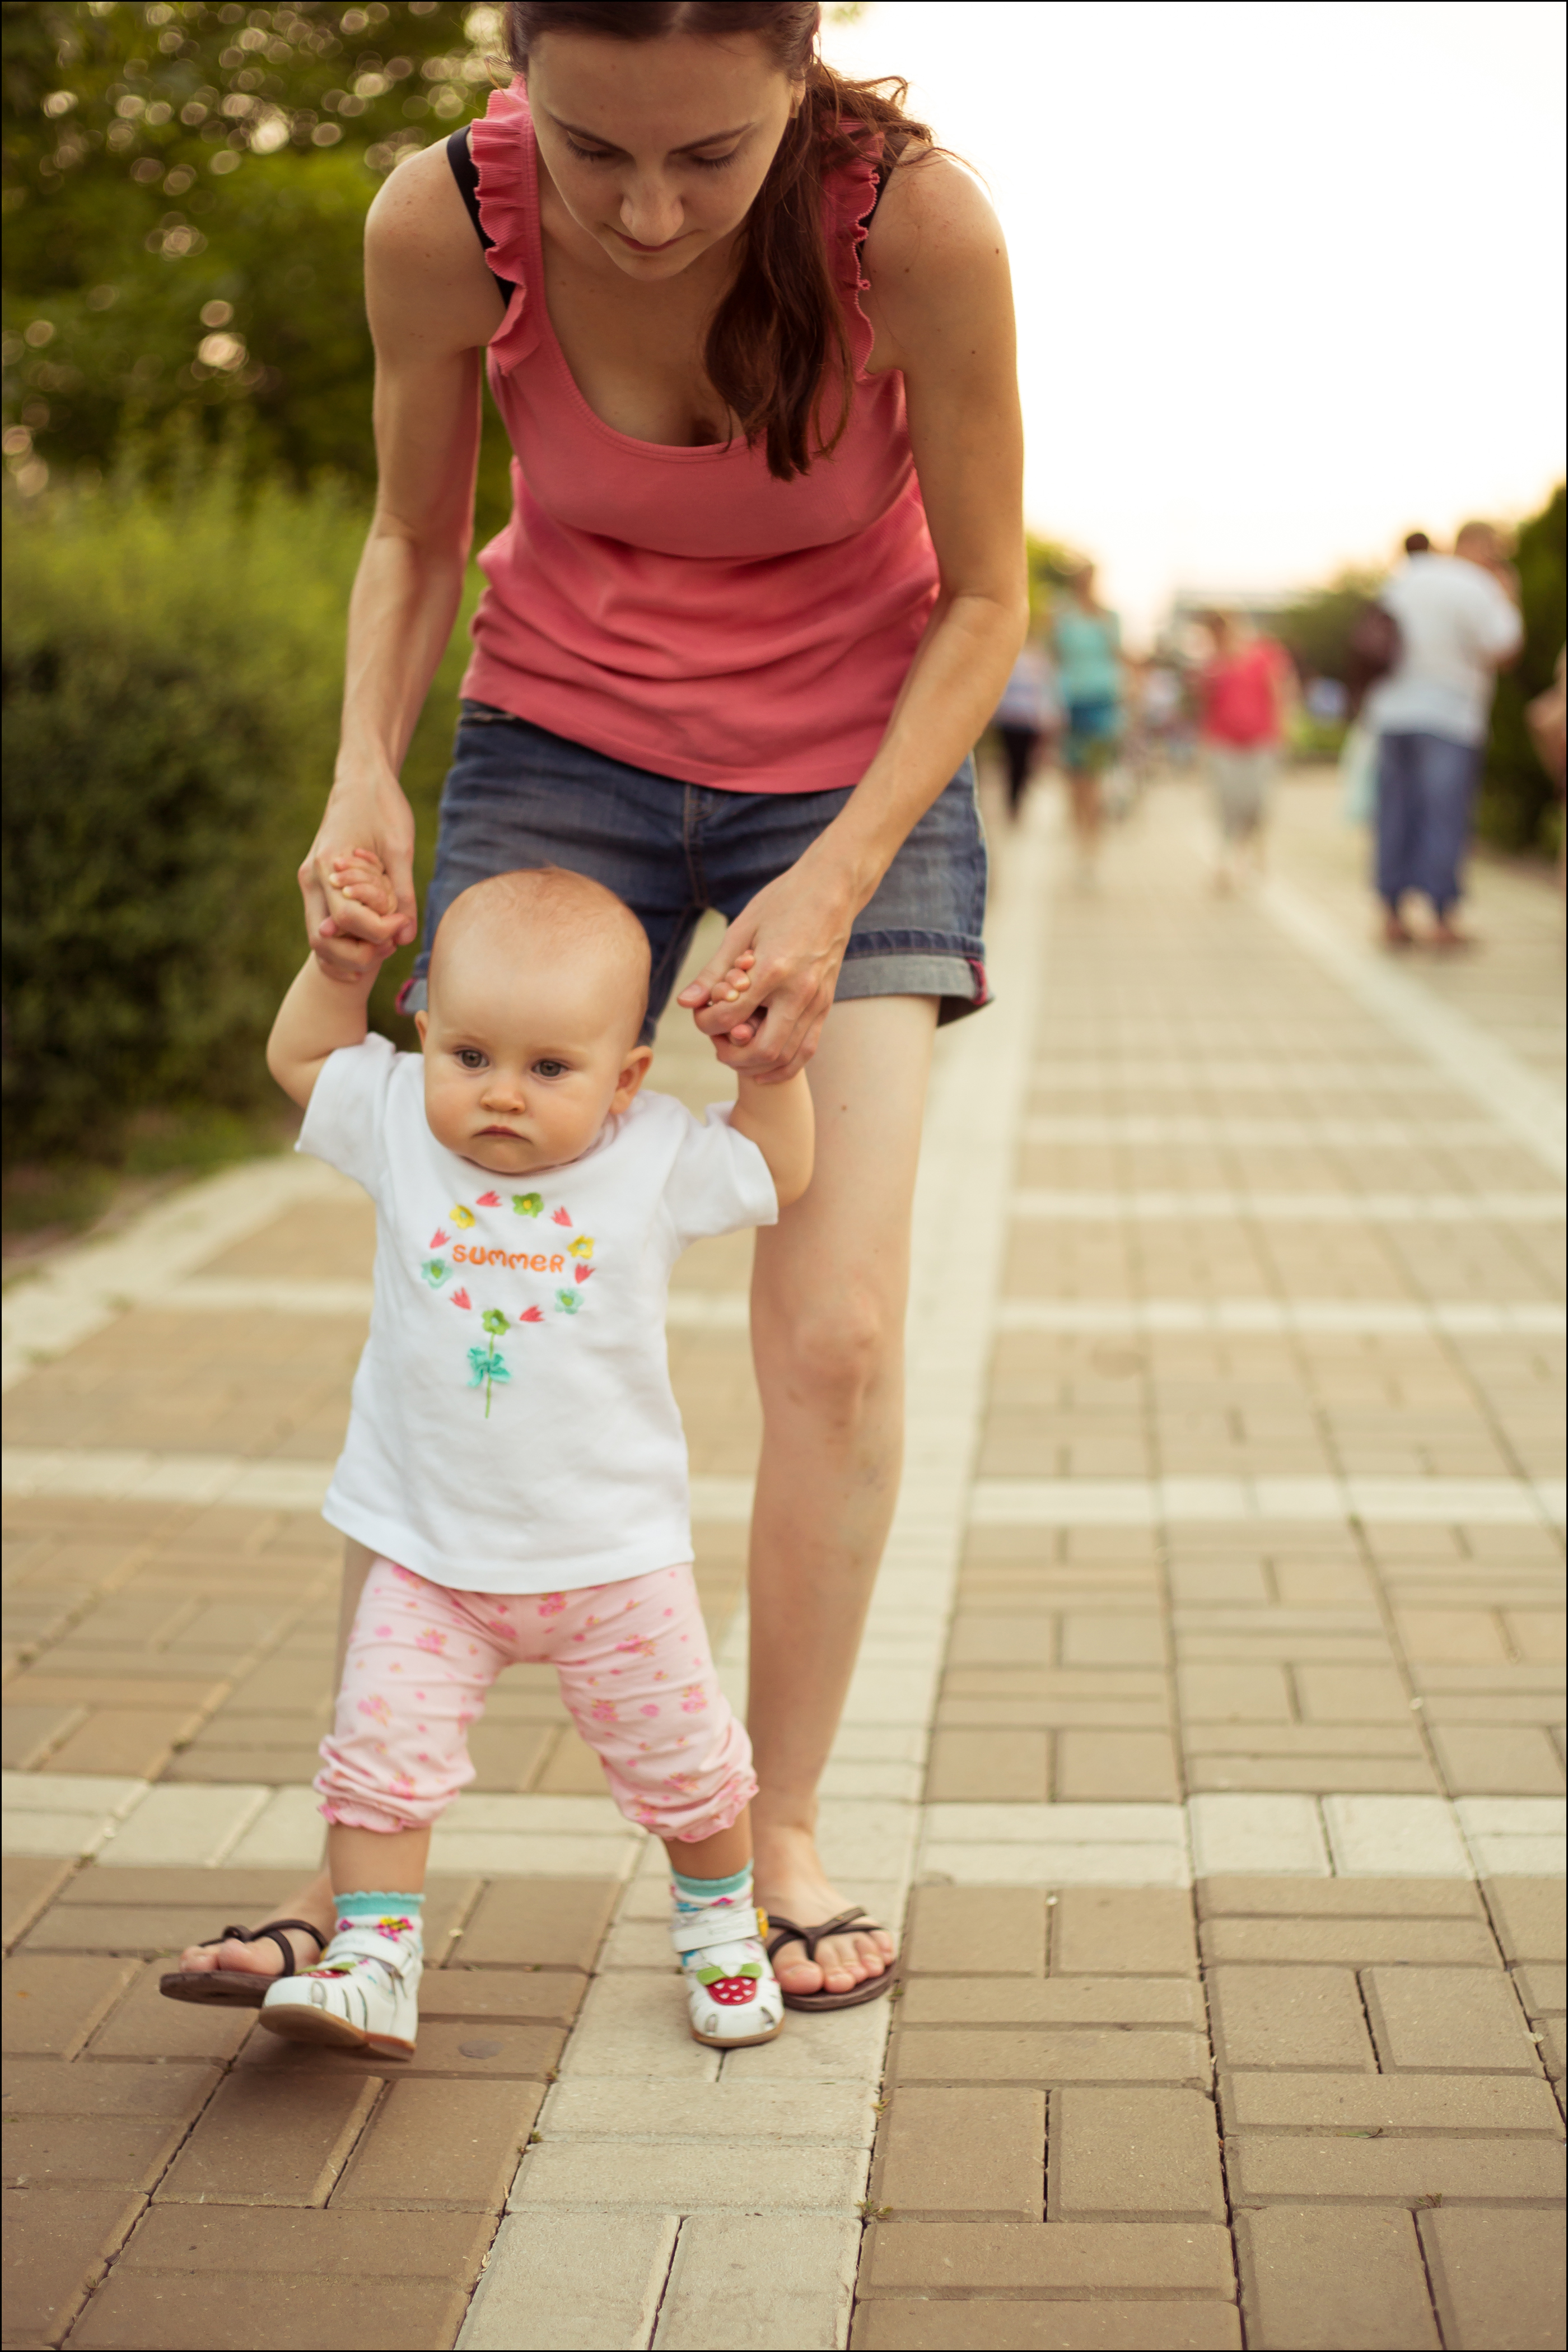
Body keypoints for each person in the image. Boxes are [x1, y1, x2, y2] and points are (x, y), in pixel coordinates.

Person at [170, 1, 1025, 2015]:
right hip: (560, 737)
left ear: (797, 85)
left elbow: (985, 597)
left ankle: (780, 1827)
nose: (644, 212)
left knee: (832, 1319)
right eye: (590, 148)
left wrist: (821, 892)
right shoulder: (438, 222)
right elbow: (409, 531)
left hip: (857, 768)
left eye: (707, 158)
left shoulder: (913, 233)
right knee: (467, 1259)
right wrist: (361, 773)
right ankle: (354, 1876)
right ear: (514, 73)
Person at [166, 861, 812, 2055]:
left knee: (694, 1770)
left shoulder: (655, 1151)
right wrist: (334, 970)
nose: (500, 1094)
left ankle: (722, 1926)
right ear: (423, 1030)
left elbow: (777, 1169)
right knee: (375, 1759)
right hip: (428, 1551)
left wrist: (766, 1072)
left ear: (625, 1076)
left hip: (614, 1559)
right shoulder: (399, 1122)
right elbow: (305, 1061)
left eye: (549, 1069)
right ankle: (373, 1955)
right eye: (470, 1055)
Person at [1368, 523, 1522, 948]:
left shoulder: (1407, 578)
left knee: (1396, 814)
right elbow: (1505, 647)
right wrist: (1508, 596)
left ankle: (1392, 915)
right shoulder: (1477, 586)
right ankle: (1441, 920)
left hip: (1393, 713)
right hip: (1450, 716)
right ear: (1482, 548)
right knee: (1444, 816)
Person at [1197, 610, 1295, 888]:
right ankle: (1226, 860)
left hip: (1261, 741)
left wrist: (1284, 728)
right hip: (1224, 743)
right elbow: (1206, 707)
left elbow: (1280, 691)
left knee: (1257, 802)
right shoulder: (1212, 665)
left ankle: (1254, 848)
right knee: (1227, 804)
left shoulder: (1264, 654)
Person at [1052, 563, 1123, 873]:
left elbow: (1119, 658)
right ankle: (1080, 837)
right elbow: (1054, 660)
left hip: (1101, 705)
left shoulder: (1110, 618)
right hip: (1069, 705)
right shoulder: (1062, 617)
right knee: (1073, 779)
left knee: (1093, 779)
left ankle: (1091, 848)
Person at [992, 636, 1058, 817]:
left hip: (1029, 721)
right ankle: (1012, 800)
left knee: (1023, 763)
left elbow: (1045, 691)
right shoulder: (1013, 657)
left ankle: (1017, 798)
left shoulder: (1040, 662)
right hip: (1010, 719)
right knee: (1011, 761)